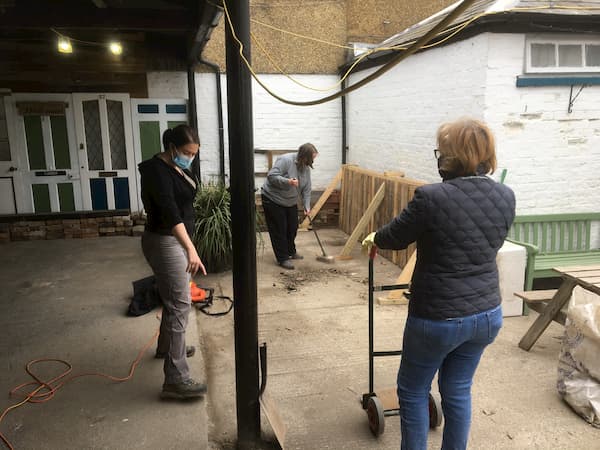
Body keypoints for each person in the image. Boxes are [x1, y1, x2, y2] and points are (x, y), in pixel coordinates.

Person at [362, 118, 515, 450]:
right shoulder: (506, 195)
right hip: (487, 314)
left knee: (413, 390)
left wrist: (375, 236)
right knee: (458, 390)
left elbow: (396, 236)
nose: (439, 158)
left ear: (452, 157)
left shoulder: (432, 197)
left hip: (438, 317)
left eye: (441, 152)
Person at [138, 124, 207, 400]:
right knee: (181, 303)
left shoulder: (178, 168)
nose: (191, 157)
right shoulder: (157, 171)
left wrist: (188, 244)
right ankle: (176, 379)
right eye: (188, 152)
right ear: (173, 148)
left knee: (173, 298)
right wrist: (190, 248)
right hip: (165, 240)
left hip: (176, 241)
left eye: (194, 153)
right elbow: (169, 212)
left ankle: (167, 348)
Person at [261, 143, 319, 270]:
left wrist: (307, 206)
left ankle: (291, 251)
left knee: (292, 227)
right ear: (304, 156)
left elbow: (307, 189)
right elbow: (271, 177)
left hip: (290, 201)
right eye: (311, 158)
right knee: (279, 229)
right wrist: (288, 182)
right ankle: (282, 258)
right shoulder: (285, 160)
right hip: (273, 198)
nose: (312, 161)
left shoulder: (306, 167)